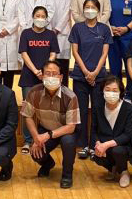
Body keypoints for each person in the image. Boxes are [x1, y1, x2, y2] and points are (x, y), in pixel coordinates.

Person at [21, 60, 80, 189]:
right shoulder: (34, 92)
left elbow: (71, 127)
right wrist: (36, 137)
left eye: (55, 74)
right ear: (42, 76)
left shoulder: (70, 96)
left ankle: (67, 175)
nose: (51, 77)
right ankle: (47, 164)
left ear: (61, 77)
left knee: (68, 143)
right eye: (48, 73)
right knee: (35, 152)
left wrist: (47, 135)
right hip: (45, 128)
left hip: (65, 131)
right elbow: (27, 116)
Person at [69, 0, 112, 160]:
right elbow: (75, 52)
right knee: (80, 110)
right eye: (87, 7)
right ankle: (83, 144)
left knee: (97, 110)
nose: (89, 10)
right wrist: (86, 72)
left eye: (93, 7)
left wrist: (95, 72)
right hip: (80, 76)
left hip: (99, 77)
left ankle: (94, 143)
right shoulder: (77, 28)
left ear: (98, 11)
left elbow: (104, 53)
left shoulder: (104, 29)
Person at [18, 6, 59, 153]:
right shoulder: (26, 33)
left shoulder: (51, 34)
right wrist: (36, 71)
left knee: (47, 109)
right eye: (37, 16)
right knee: (27, 110)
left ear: (47, 19)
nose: (40, 19)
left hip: (47, 78)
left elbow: (53, 53)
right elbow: (24, 53)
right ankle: (27, 141)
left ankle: (44, 139)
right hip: (29, 77)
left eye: (43, 16)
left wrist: (46, 70)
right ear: (33, 17)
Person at [91, 75, 132, 188]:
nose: (110, 93)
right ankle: (112, 168)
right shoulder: (98, 106)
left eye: (114, 90)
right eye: (107, 90)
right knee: (96, 156)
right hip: (104, 142)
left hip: (123, 145)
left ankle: (124, 171)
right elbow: (93, 129)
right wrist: (98, 143)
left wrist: (105, 145)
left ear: (120, 92)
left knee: (118, 151)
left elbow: (128, 134)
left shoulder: (129, 108)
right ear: (102, 91)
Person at [48, 0, 74, 83]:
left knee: (63, 65)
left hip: (63, 31)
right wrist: (49, 27)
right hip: (48, 28)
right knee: (50, 63)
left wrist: (57, 28)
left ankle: (64, 91)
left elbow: (68, 10)